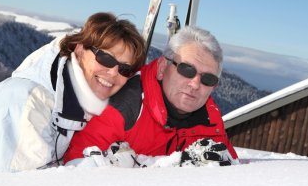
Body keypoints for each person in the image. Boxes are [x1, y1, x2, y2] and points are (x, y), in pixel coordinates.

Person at [64, 26, 238, 167]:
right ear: (162, 68)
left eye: (208, 79)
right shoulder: (125, 105)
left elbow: (233, 171)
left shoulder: (209, 117)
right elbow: (76, 165)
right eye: (187, 70)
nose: (195, 84)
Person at [0, 12, 146, 172]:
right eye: (106, 58)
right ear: (80, 50)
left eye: (125, 69)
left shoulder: (82, 101)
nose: (114, 73)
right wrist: (99, 168)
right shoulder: (29, 104)